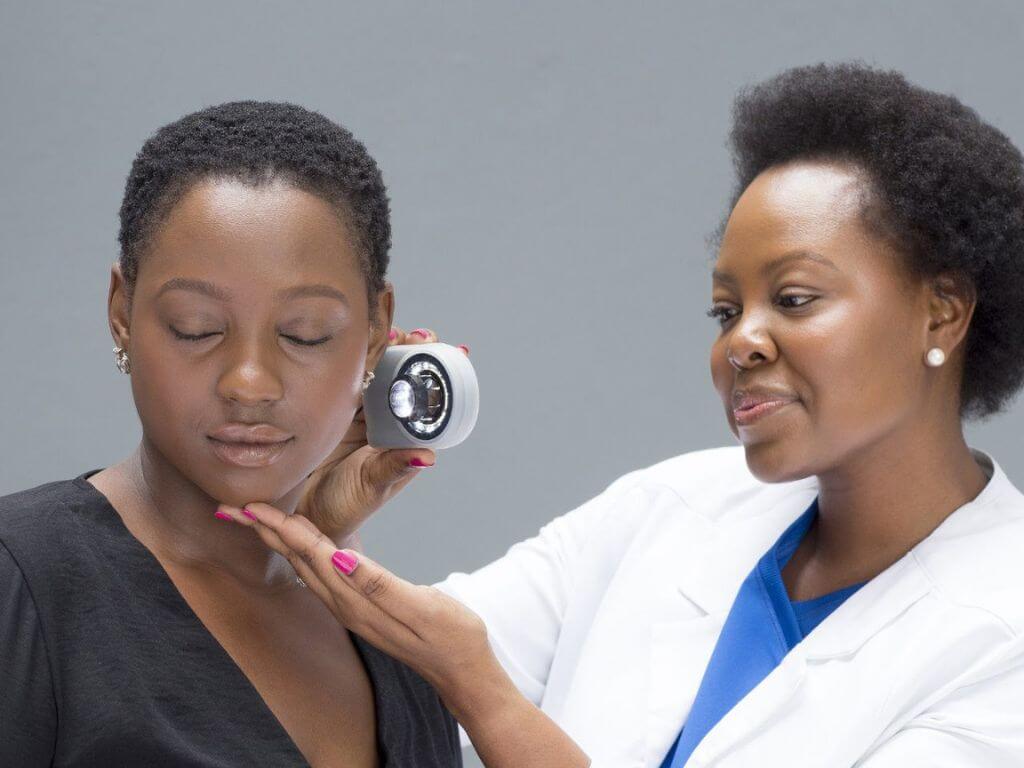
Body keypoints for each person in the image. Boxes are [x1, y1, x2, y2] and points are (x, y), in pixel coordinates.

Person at [222, 63, 1024, 767]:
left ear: (942, 314)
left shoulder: (1006, 635)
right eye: (724, 311)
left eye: (794, 299)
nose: (741, 341)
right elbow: (373, 718)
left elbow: (464, 674)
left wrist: (487, 695)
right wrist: (316, 538)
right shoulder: (671, 508)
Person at [0, 101, 463, 767]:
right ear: (122, 313)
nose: (249, 383)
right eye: (197, 327)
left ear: (375, 331)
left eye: (305, 333)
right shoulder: (24, 588)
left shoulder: (400, 650)